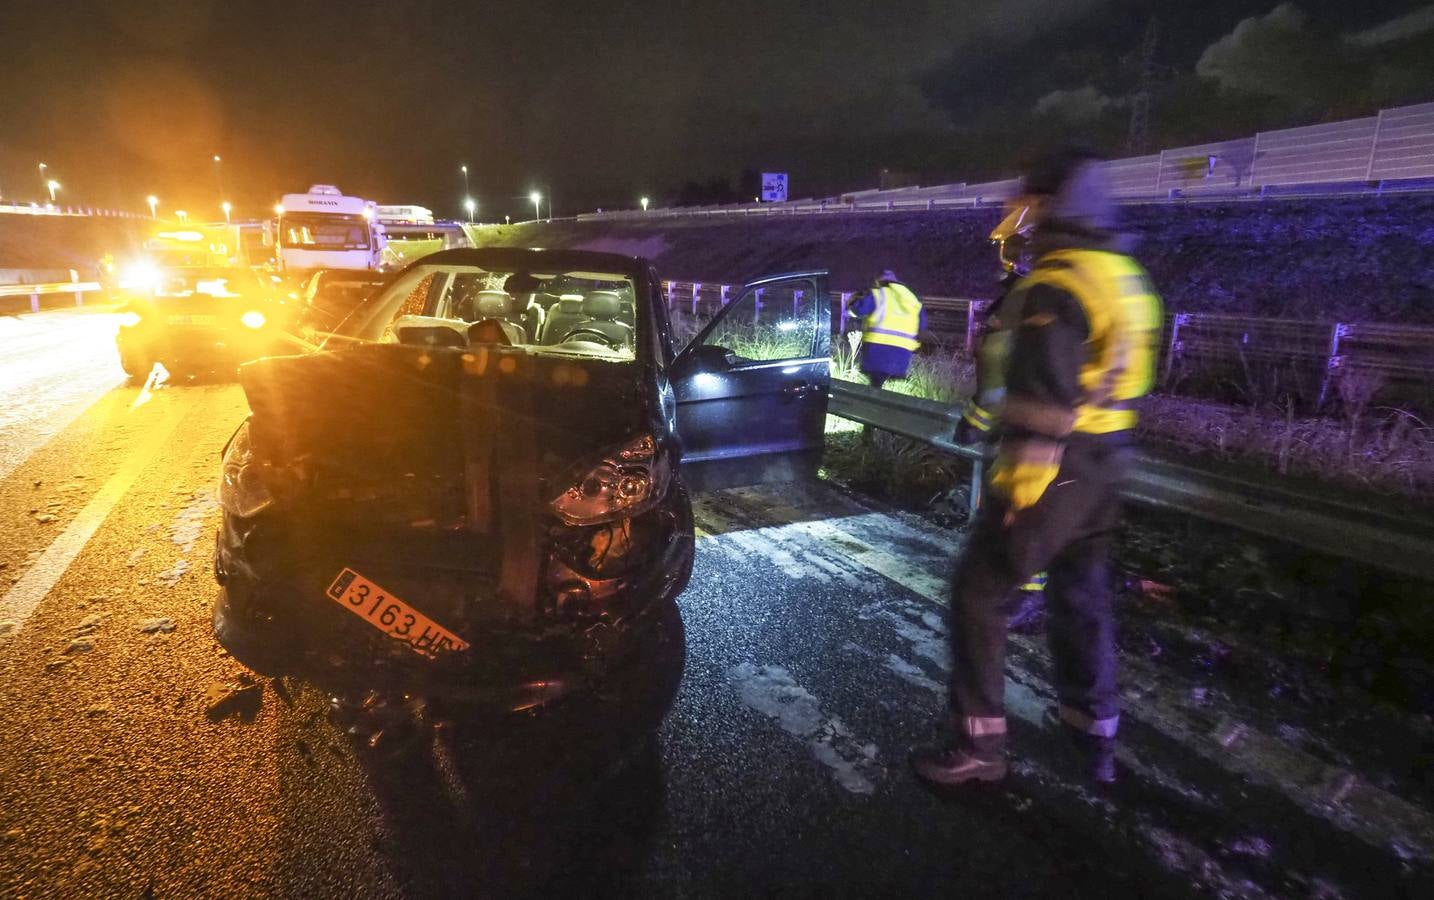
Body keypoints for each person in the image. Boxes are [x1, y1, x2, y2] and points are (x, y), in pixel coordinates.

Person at [910, 148, 1163, 787]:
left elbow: (1045, 406)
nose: (1012, 211)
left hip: (1055, 469)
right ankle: (1091, 726)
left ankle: (977, 747)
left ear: (1052, 205)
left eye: (1024, 199)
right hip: (1108, 463)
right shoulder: (1126, 276)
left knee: (979, 593)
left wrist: (1019, 496)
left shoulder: (1059, 283)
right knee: (1080, 594)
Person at [848, 270, 925, 391]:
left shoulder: (878, 294)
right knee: (886, 385)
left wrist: (854, 301)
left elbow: (857, 311)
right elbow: (922, 325)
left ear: (879, 282)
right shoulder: (912, 299)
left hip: (877, 350)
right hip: (902, 354)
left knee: (875, 386)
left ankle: (872, 405)